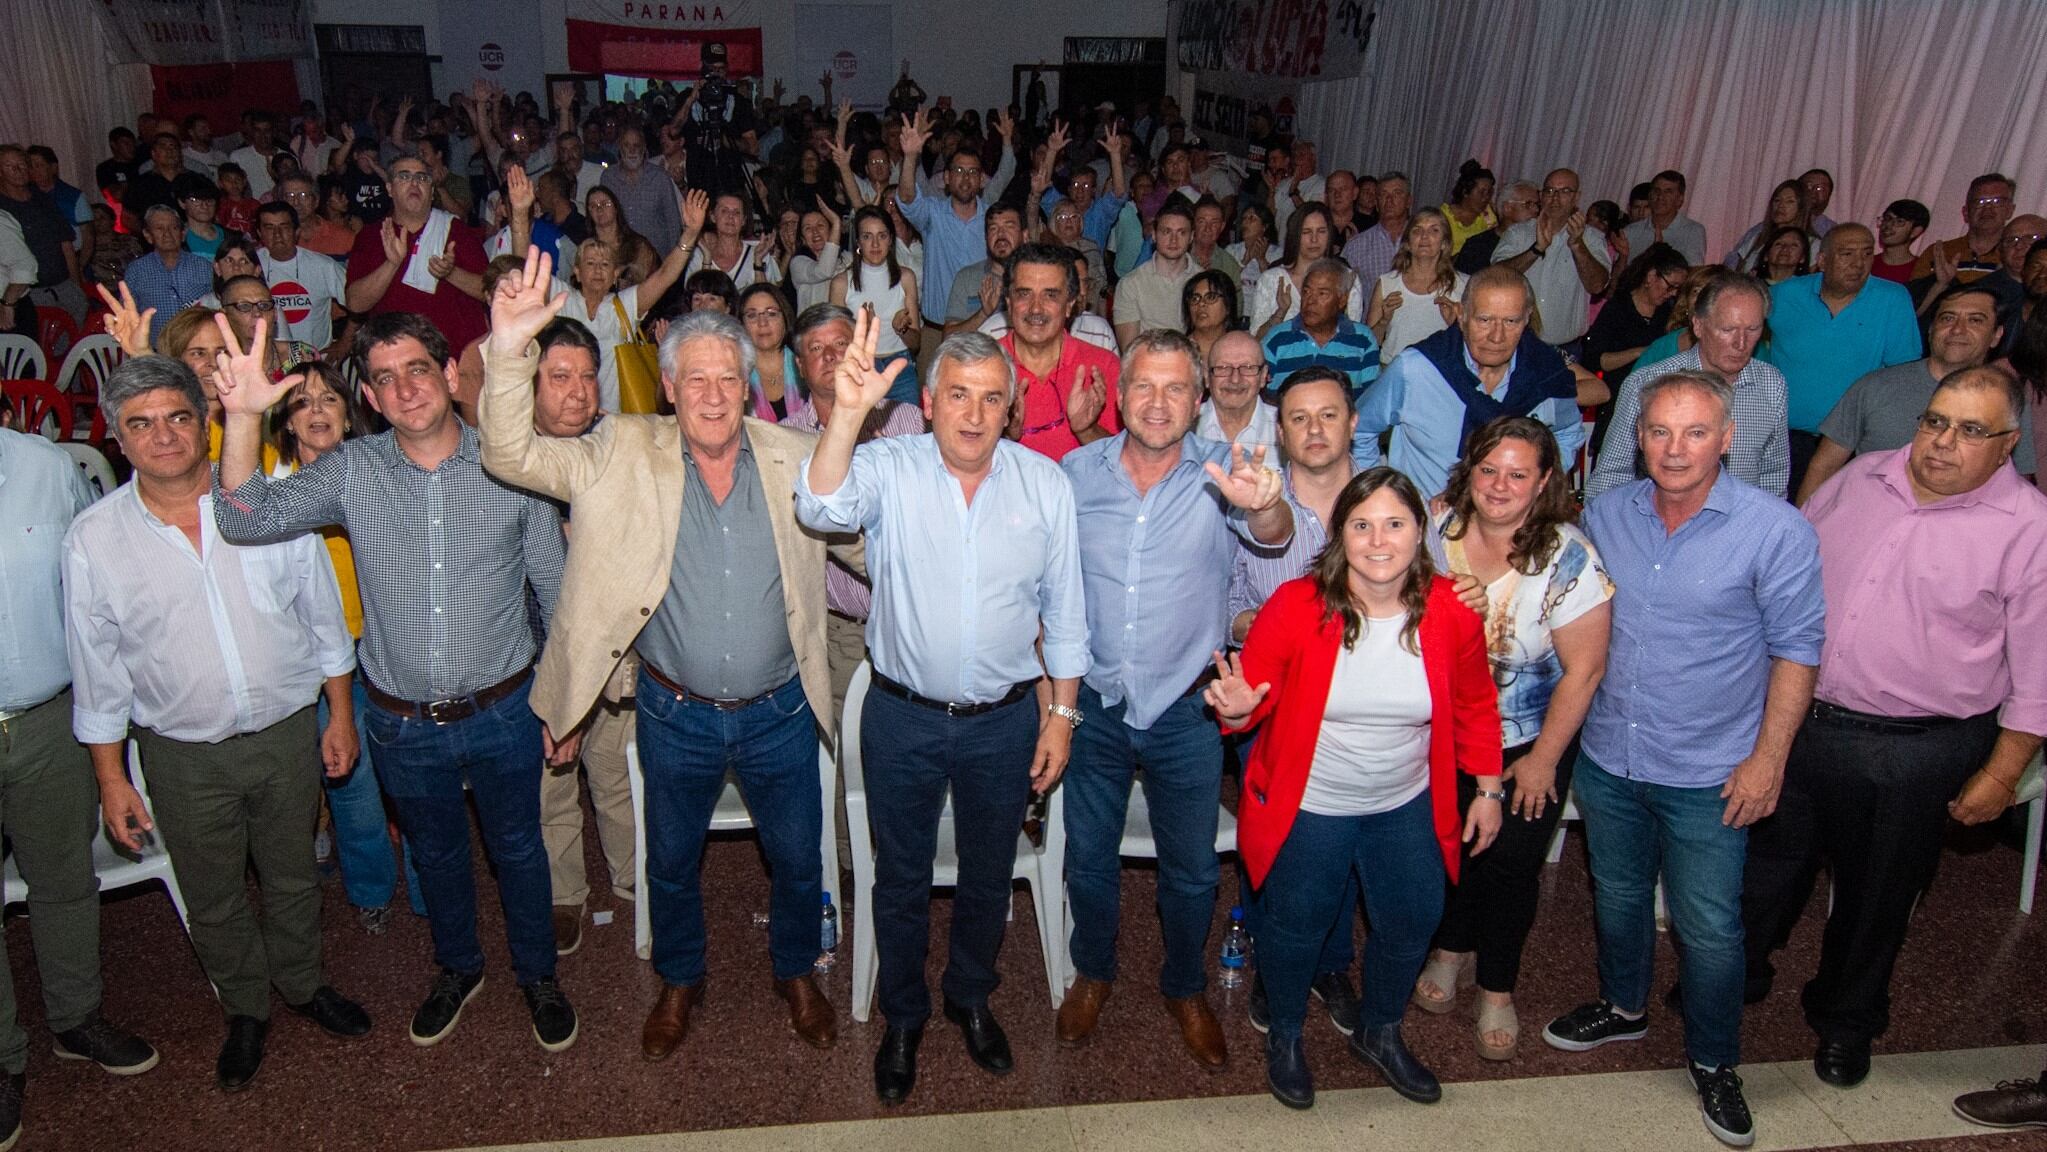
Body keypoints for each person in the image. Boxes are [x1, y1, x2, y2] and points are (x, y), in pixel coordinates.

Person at [477, 249, 842, 1059]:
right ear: (668, 385)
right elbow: (510, 455)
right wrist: (507, 351)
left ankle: (795, 973)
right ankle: (681, 979)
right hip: (673, 711)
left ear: (746, 386)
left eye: (727, 380)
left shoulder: (790, 455)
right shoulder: (616, 450)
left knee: (795, 854)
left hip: (781, 709)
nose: (712, 396)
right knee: (670, 861)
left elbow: (866, 538)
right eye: (695, 380)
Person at [212, 309, 577, 1055]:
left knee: (518, 849)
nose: (405, 389)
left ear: (448, 376)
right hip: (401, 720)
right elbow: (243, 519)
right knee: (436, 855)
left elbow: (558, 592)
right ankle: (458, 968)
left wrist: (563, 706)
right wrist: (244, 416)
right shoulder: (349, 472)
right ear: (370, 401)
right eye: (384, 378)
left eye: (417, 369)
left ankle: (538, 975)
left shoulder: (511, 463)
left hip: (506, 709)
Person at [797, 319, 1088, 1103]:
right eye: (957, 395)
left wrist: (1061, 716)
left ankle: (969, 995)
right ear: (927, 403)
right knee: (899, 877)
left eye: (991, 398)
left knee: (989, 873)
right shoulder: (886, 466)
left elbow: (1065, 614)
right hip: (902, 718)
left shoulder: (1045, 485)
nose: (973, 412)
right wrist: (849, 413)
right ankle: (903, 1015)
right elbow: (817, 506)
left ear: (1011, 408)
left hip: (1003, 720)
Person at [67, 354, 371, 1092]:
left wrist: (339, 713)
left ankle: (301, 985)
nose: (164, 436)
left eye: (178, 416)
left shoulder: (264, 505)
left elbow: (323, 617)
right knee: (213, 893)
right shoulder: (93, 540)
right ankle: (244, 1008)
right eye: (141, 424)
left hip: (284, 734)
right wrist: (111, 781)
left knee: (293, 874)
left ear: (207, 422)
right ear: (116, 439)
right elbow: (98, 671)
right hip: (181, 753)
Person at [1544, 369, 1825, 1150]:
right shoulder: (1606, 514)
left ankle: (1712, 1058)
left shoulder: (1774, 529)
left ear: (1727, 438)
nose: (1674, 448)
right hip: (1610, 753)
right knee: (1620, 896)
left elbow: (1797, 651)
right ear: (1636, 438)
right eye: (1659, 431)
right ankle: (1623, 1005)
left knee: (1706, 927)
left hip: (1710, 770)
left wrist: (1769, 758)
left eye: (1694, 431)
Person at [1746, 365, 2047, 1092]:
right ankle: (1736, 976)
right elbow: (1785, 583)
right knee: (1762, 869)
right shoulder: (1861, 479)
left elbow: (2037, 673)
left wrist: (2001, 773)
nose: (1941, 442)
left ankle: (1844, 1020)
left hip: (1915, 747)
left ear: (2007, 444)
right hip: (1802, 718)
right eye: (1934, 421)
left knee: (1879, 892)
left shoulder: (2030, 530)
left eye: (1968, 430)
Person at [1209, 466, 1502, 1110]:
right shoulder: (1297, 606)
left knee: (1411, 920)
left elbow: (1478, 704)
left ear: (1419, 532)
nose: (1378, 540)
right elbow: (1248, 702)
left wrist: (1487, 787)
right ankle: (1284, 1035)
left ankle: (1379, 1030)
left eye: (1394, 524)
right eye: (1361, 525)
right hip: (1312, 803)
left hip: (1405, 801)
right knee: (1294, 925)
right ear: (1340, 535)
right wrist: (1234, 710)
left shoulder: (1452, 611)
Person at [1055, 332, 1293, 1069]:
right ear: (1120, 395)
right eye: (1143, 388)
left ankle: (1184, 984)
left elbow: (1275, 536)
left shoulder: (1227, 476)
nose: (1157, 404)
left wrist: (1264, 508)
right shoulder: (1073, 473)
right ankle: (1092, 972)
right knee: (1087, 860)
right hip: (1093, 704)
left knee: (1189, 869)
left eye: (1174, 390)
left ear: (1196, 402)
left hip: (1187, 709)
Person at [1411, 418, 1613, 1062]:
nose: (1500, 486)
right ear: (1468, 469)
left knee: (1511, 864)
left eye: (1518, 473)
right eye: (1489, 469)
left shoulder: (1567, 554)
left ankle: (1497, 986)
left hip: (1529, 739)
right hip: (1442, 734)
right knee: (1450, 849)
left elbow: (1585, 670)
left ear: (1545, 481)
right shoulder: (1433, 535)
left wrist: (1543, 762)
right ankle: (1449, 947)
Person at [0, 419, 160, 1143]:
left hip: (44, 718)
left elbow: (90, 585)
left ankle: (74, 1017)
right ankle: (4, 1059)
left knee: (63, 877)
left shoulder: (43, 465)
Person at [266, 364, 425, 935]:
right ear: (285, 420)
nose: (316, 410)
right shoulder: (276, 495)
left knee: (408, 778)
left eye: (328, 397)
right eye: (301, 402)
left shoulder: (380, 473)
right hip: (313, 662)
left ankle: (432, 890)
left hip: (384, 646)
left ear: (348, 409)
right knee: (350, 781)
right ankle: (371, 891)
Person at [1353, 265, 1584, 497]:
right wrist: (1383, 498)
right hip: (1428, 524)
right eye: (1484, 320)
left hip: (1514, 527)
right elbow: (1359, 429)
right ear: (1462, 315)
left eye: (1510, 322)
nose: (1496, 336)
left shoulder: (1546, 375)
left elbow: (1569, 432)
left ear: (1527, 319)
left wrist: (1538, 491)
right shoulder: (1418, 369)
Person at [1800, 285, 2033, 501]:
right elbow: (1823, 467)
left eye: (1975, 320)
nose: (1958, 329)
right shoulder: (1874, 386)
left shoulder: (2007, 401)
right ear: (1931, 330)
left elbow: (2019, 485)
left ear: (1996, 335)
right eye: (1948, 318)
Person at [1587, 273, 1790, 500]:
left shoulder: (1771, 384)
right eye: (1727, 330)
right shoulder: (1648, 384)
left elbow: (1773, 475)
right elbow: (1611, 475)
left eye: (1752, 330)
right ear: (1698, 326)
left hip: (1740, 528)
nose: (1740, 343)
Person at [1767, 224, 1923, 490]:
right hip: (1781, 437)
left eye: (1865, 254)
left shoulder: (1892, 299)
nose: (1858, 264)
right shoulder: (1784, 295)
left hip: (1849, 444)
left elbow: (1904, 374)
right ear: (1823, 260)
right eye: (1847, 254)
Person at [555, 179, 704, 414]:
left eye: (605, 264)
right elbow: (525, 271)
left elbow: (665, 275)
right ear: (576, 272)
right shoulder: (563, 300)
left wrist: (691, 233)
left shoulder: (621, 305)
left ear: (615, 275)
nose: (597, 270)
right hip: (568, 419)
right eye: (590, 263)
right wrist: (521, 215)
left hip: (615, 421)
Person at [345, 155, 490, 354]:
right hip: (396, 360)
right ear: (389, 189)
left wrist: (450, 273)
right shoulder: (371, 236)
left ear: (431, 192)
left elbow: (490, 291)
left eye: (422, 178)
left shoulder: (456, 231)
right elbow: (355, 304)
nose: (414, 183)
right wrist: (391, 264)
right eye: (404, 177)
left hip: (455, 361)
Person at [996, 242, 1122, 461]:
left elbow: (1126, 466)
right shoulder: (983, 367)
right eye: (1024, 294)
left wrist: (1087, 430)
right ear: (1008, 301)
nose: (1036, 308)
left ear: (1069, 304)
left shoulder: (1102, 367)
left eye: (1050, 295)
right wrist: (1004, 436)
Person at [1493, 168, 1611, 346]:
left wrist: (1578, 245)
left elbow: (1597, 286)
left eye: (1564, 191)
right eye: (1549, 191)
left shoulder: (1592, 237)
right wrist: (1536, 249)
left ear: (1576, 197)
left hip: (1565, 349)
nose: (1555, 198)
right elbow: (1496, 276)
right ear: (1541, 196)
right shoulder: (1519, 232)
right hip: (1517, 342)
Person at [831, 205, 922, 403]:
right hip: (861, 370)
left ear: (890, 240)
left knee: (909, 431)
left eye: (881, 236)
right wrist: (862, 332)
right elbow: (837, 344)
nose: (874, 244)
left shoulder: (906, 277)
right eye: (867, 236)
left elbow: (916, 344)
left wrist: (902, 329)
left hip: (900, 367)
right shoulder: (841, 283)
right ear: (858, 242)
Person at [1262, 258, 1381, 403]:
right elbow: (1262, 396)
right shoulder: (1277, 338)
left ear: (1342, 300)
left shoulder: (1362, 340)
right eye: (1306, 292)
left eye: (1322, 294)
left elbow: (1371, 401)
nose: (1310, 300)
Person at [1368, 208, 1468, 364]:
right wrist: (1383, 320)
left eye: (1434, 230)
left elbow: (1474, 344)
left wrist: (1454, 324)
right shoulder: (1387, 283)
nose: (1424, 237)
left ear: (1444, 243)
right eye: (1417, 230)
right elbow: (1368, 344)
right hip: (1392, 370)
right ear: (1407, 243)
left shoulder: (1463, 285)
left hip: (1441, 373)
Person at [0, 145, 86, 325]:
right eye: (9, 166)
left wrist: (76, 285)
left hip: (63, 285)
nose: (18, 170)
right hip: (29, 294)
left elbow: (65, 243)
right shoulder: (3, 209)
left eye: (22, 164)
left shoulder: (42, 199)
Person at [1252, 202, 1364, 336]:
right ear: (1295, 235)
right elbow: (1256, 338)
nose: (1314, 239)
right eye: (1306, 232)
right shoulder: (1271, 279)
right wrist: (1280, 313)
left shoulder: (1347, 277)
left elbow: (1353, 338)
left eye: (1321, 231)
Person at [256, 201, 347, 356]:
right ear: (259, 233)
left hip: (314, 361)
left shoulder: (323, 266)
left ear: (296, 231)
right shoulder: (251, 264)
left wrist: (345, 342)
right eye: (269, 228)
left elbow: (359, 304)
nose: (277, 234)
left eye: (284, 227)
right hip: (268, 361)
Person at [123, 204, 212, 344]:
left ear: (183, 234)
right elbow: (127, 314)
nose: (167, 234)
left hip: (196, 347)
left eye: (174, 228)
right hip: (154, 351)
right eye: (159, 228)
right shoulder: (136, 271)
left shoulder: (204, 267)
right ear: (148, 235)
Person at [1113, 199, 1199, 344]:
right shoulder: (1131, 284)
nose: (1173, 240)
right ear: (1154, 235)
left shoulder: (1202, 282)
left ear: (1191, 237)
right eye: (1166, 232)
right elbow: (1129, 348)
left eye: (1181, 233)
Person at [1912, 172, 2016, 284]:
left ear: (2010, 210)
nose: (1988, 208)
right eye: (1980, 202)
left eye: (1997, 202)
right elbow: (1913, 298)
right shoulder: (1939, 253)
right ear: (1965, 212)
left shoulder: (2017, 256)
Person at [941, 204, 1026, 338]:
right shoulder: (967, 277)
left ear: (1025, 235)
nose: (1001, 234)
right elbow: (948, 338)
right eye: (993, 228)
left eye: (1009, 226)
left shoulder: (1037, 278)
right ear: (986, 238)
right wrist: (983, 314)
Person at [598, 128, 682, 258]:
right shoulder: (608, 178)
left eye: (636, 145)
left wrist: (673, 261)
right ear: (620, 148)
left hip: (656, 259)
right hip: (621, 258)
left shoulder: (660, 178)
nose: (632, 150)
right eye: (627, 145)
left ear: (643, 149)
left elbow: (673, 223)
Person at [1621, 170, 1708, 266]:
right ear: (1650, 196)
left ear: (1680, 200)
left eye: (1668, 192)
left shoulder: (1692, 231)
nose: (1660, 196)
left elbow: (1693, 274)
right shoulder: (1631, 231)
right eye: (1656, 191)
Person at [1455, 180, 1538, 276]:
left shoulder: (1535, 240)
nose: (1536, 210)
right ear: (1507, 208)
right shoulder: (1477, 245)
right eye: (1529, 204)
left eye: (1538, 205)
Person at [1342, 171, 1411, 285]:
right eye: (1383, 194)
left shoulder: (1424, 241)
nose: (1389, 199)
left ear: (1409, 201)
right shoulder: (1356, 246)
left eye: (1397, 193)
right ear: (1377, 203)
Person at [1723, 181, 1811, 270]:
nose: (1781, 205)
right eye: (1777, 200)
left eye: (1789, 201)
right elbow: (1739, 269)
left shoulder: (1811, 243)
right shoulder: (1758, 236)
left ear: (1801, 208)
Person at [583, 185, 657, 288]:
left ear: (616, 208)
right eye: (593, 206)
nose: (599, 209)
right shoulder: (585, 249)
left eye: (605, 204)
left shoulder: (638, 246)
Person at [1182, 268, 1239, 365]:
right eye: (1195, 298)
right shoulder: (1177, 351)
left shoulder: (1242, 350)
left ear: (1228, 305)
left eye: (1211, 297)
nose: (1201, 304)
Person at [1440, 161, 1496, 256]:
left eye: (1489, 192)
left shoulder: (1488, 215)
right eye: (1481, 192)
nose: (1486, 197)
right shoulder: (1443, 215)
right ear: (1465, 192)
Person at [1872, 200, 1929, 285]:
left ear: (1915, 231)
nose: (1888, 225)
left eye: (1899, 221)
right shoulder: (1866, 263)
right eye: (1887, 218)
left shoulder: (1920, 270)